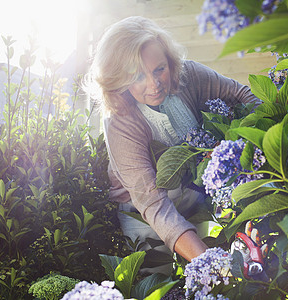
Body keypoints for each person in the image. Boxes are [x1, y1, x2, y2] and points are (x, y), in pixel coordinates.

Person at [86, 16, 261, 272]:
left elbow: (243, 95)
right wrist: (217, 267)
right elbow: (154, 205)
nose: (154, 84)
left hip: (193, 195)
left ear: (170, 61)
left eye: (159, 69)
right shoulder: (120, 122)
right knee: (165, 283)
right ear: (119, 80)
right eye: (137, 77)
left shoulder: (190, 75)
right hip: (144, 214)